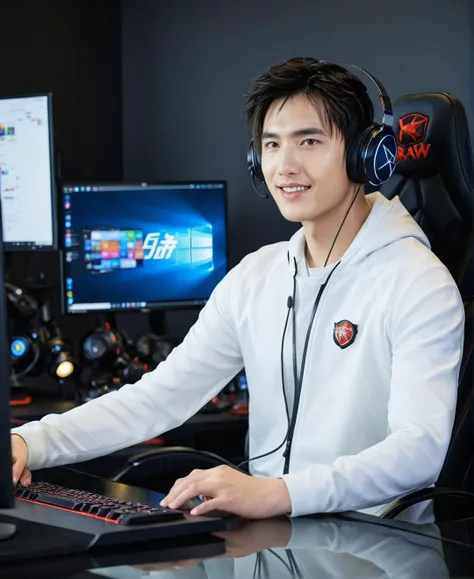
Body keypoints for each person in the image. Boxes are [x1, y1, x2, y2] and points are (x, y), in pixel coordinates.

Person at [11, 57, 465, 520]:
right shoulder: (257, 276)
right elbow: (159, 398)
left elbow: (418, 449)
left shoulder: (418, 282)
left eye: (309, 141)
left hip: (375, 550)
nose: (285, 165)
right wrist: (31, 441)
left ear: (364, 154)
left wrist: (277, 493)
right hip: (267, 542)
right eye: (271, 144)